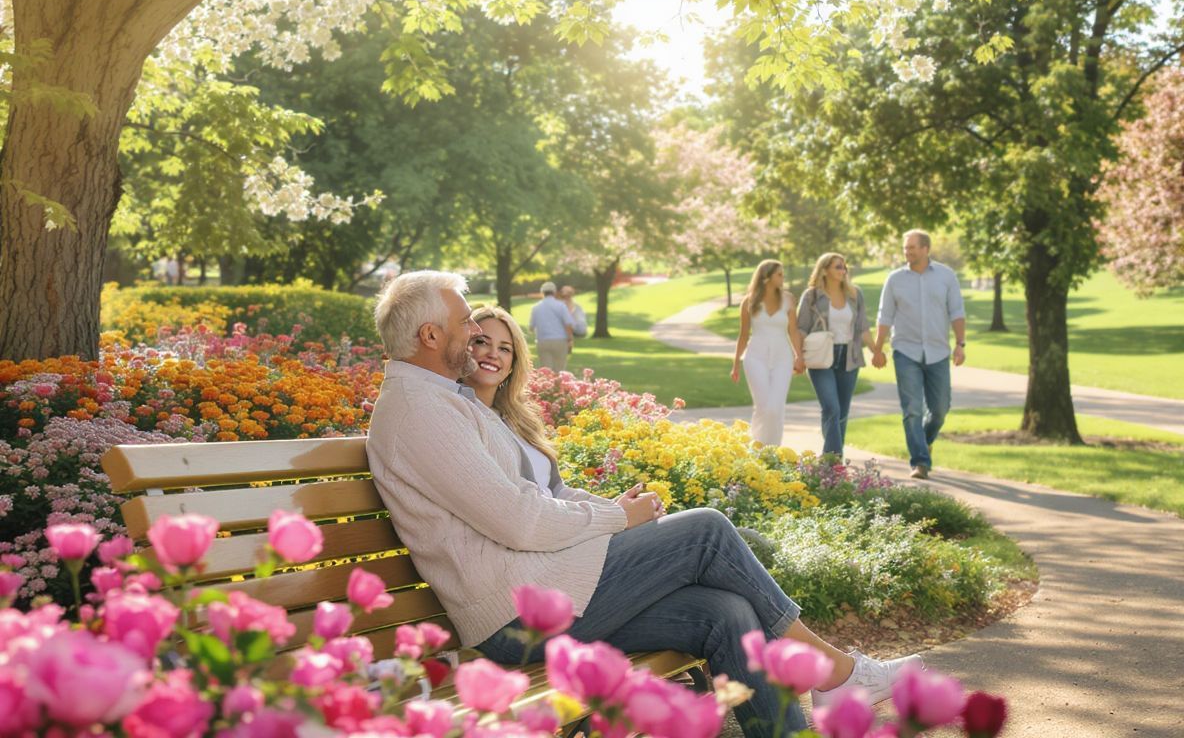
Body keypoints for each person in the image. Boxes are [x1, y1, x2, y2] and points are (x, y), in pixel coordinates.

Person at [365, 271, 922, 738]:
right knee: (706, 530)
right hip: (517, 617)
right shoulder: (420, 411)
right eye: (465, 321)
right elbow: (519, 518)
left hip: (544, 591)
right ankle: (836, 674)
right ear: (432, 334)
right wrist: (616, 517)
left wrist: (611, 518)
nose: (474, 328)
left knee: (725, 615)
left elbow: (528, 499)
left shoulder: (440, 402)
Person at [872, 230, 966, 479]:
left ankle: (923, 442)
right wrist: (878, 348)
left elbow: (956, 311)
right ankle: (920, 462)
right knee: (912, 408)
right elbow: (885, 316)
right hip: (905, 350)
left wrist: (961, 344)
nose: (907, 252)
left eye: (912, 247)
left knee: (940, 409)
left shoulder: (946, 276)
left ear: (926, 249)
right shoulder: (894, 279)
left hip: (937, 351)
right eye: (905, 248)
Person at [797, 253, 881, 458]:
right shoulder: (812, 296)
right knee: (831, 408)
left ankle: (833, 463)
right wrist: (798, 357)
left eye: (844, 267)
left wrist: (876, 351)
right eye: (837, 267)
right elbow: (801, 329)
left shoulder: (854, 294)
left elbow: (863, 329)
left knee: (841, 413)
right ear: (824, 270)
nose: (843, 271)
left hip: (849, 357)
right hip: (821, 357)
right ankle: (832, 460)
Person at [730, 260, 806, 447]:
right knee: (763, 407)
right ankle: (756, 448)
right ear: (767, 277)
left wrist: (799, 356)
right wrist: (736, 365)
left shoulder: (788, 299)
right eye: (779, 274)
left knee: (775, 407)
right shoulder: (749, 302)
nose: (783, 278)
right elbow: (743, 335)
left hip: (782, 359)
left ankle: (773, 452)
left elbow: (793, 331)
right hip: (755, 358)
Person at [529, 281, 575, 371]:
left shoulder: (535, 307)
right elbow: (568, 324)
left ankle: (548, 385)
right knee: (559, 370)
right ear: (554, 292)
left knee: (546, 371)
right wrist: (570, 340)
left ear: (542, 293)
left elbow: (531, 327)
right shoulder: (561, 306)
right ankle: (557, 385)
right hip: (560, 341)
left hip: (542, 341)